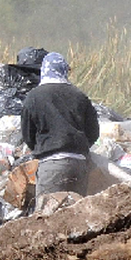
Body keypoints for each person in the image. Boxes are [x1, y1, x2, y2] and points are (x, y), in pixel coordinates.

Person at [19, 51, 100, 209]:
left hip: (51, 165)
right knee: (75, 214)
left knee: (46, 218)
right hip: (79, 165)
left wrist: (41, 147)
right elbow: (93, 132)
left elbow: (28, 135)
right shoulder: (79, 95)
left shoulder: (34, 96)